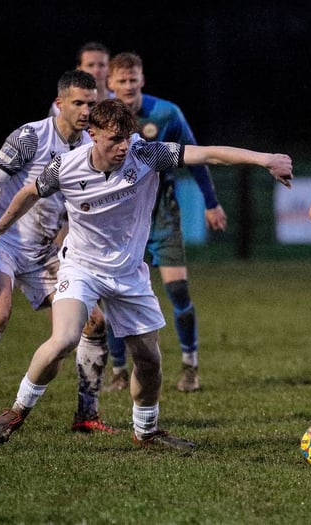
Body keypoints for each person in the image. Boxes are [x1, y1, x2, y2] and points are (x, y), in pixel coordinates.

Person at [0, 98, 293, 448]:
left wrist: (266, 160)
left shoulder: (146, 154)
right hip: (81, 266)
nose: (123, 146)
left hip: (128, 274)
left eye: (127, 137)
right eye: (114, 139)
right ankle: (17, 410)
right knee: (64, 338)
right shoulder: (64, 165)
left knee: (150, 360)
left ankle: (147, 432)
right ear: (91, 134)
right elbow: (30, 192)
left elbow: (209, 154)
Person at [0, 70, 116, 436]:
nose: (87, 110)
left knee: (94, 323)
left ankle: (86, 415)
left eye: (91, 103)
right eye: (79, 103)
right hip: (3, 242)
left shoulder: (91, 147)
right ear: (60, 104)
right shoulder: (29, 138)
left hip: (45, 253)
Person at [102, 51, 228, 393]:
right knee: (115, 294)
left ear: (142, 79)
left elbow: (196, 157)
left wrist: (211, 203)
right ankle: (117, 370)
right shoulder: (102, 118)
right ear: (110, 83)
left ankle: (190, 366)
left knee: (177, 289)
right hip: (119, 219)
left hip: (162, 214)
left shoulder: (166, 113)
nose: (128, 87)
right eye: (121, 81)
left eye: (133, 80)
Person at [49, 42, 112, 117]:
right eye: (90, 65)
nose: (96, 70)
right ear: (79, 69)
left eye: (101, 65)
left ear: (109, 68)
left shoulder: (121, 101)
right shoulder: (61, 106)